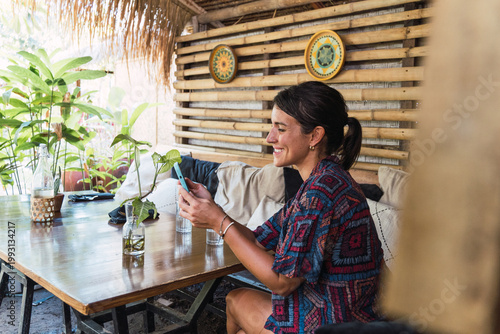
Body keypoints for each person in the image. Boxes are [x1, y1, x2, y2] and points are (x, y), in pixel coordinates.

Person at [178, 81, 384, 334]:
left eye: (281, 128)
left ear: (315, 136)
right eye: (271, 127)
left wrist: (219, 222)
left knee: (234, 301)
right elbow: (257, 239)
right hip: (351, 312)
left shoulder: (321, 194)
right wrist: (213, 209)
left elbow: (282, 283)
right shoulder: (325, 180)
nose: (270, 138)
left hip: (335, 322)